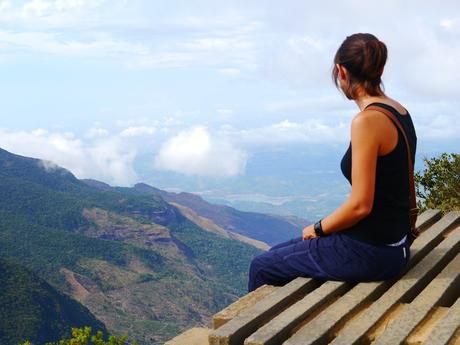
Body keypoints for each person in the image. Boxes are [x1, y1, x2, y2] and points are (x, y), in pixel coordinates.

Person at [248, 33, 417, 292]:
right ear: (381, 68)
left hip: (372, 253)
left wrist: (318, 228)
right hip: (395, 244)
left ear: (341, 71)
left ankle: (261, 333)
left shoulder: (366, 122)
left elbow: (360, 206)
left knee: (262, 267)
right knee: (276, 253)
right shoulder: (398, 111)